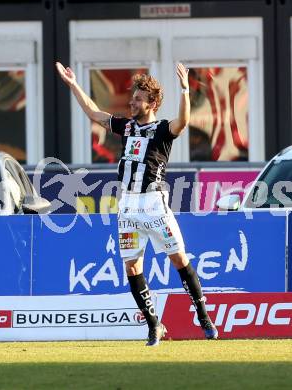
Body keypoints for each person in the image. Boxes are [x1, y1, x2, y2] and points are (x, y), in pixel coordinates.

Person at [56, 61, 218, 346]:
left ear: (152, 102)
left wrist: (184, 90)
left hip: (154, 203)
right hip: (128, 206)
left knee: (178, 259)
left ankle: (204, 317)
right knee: (132, 267)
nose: (132, 101)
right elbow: (95, 114)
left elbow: (183, 121)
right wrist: (74, 85)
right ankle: (154, 324)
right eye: (132, 97)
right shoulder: (126, 127)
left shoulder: (163, 130)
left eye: (138, 98)